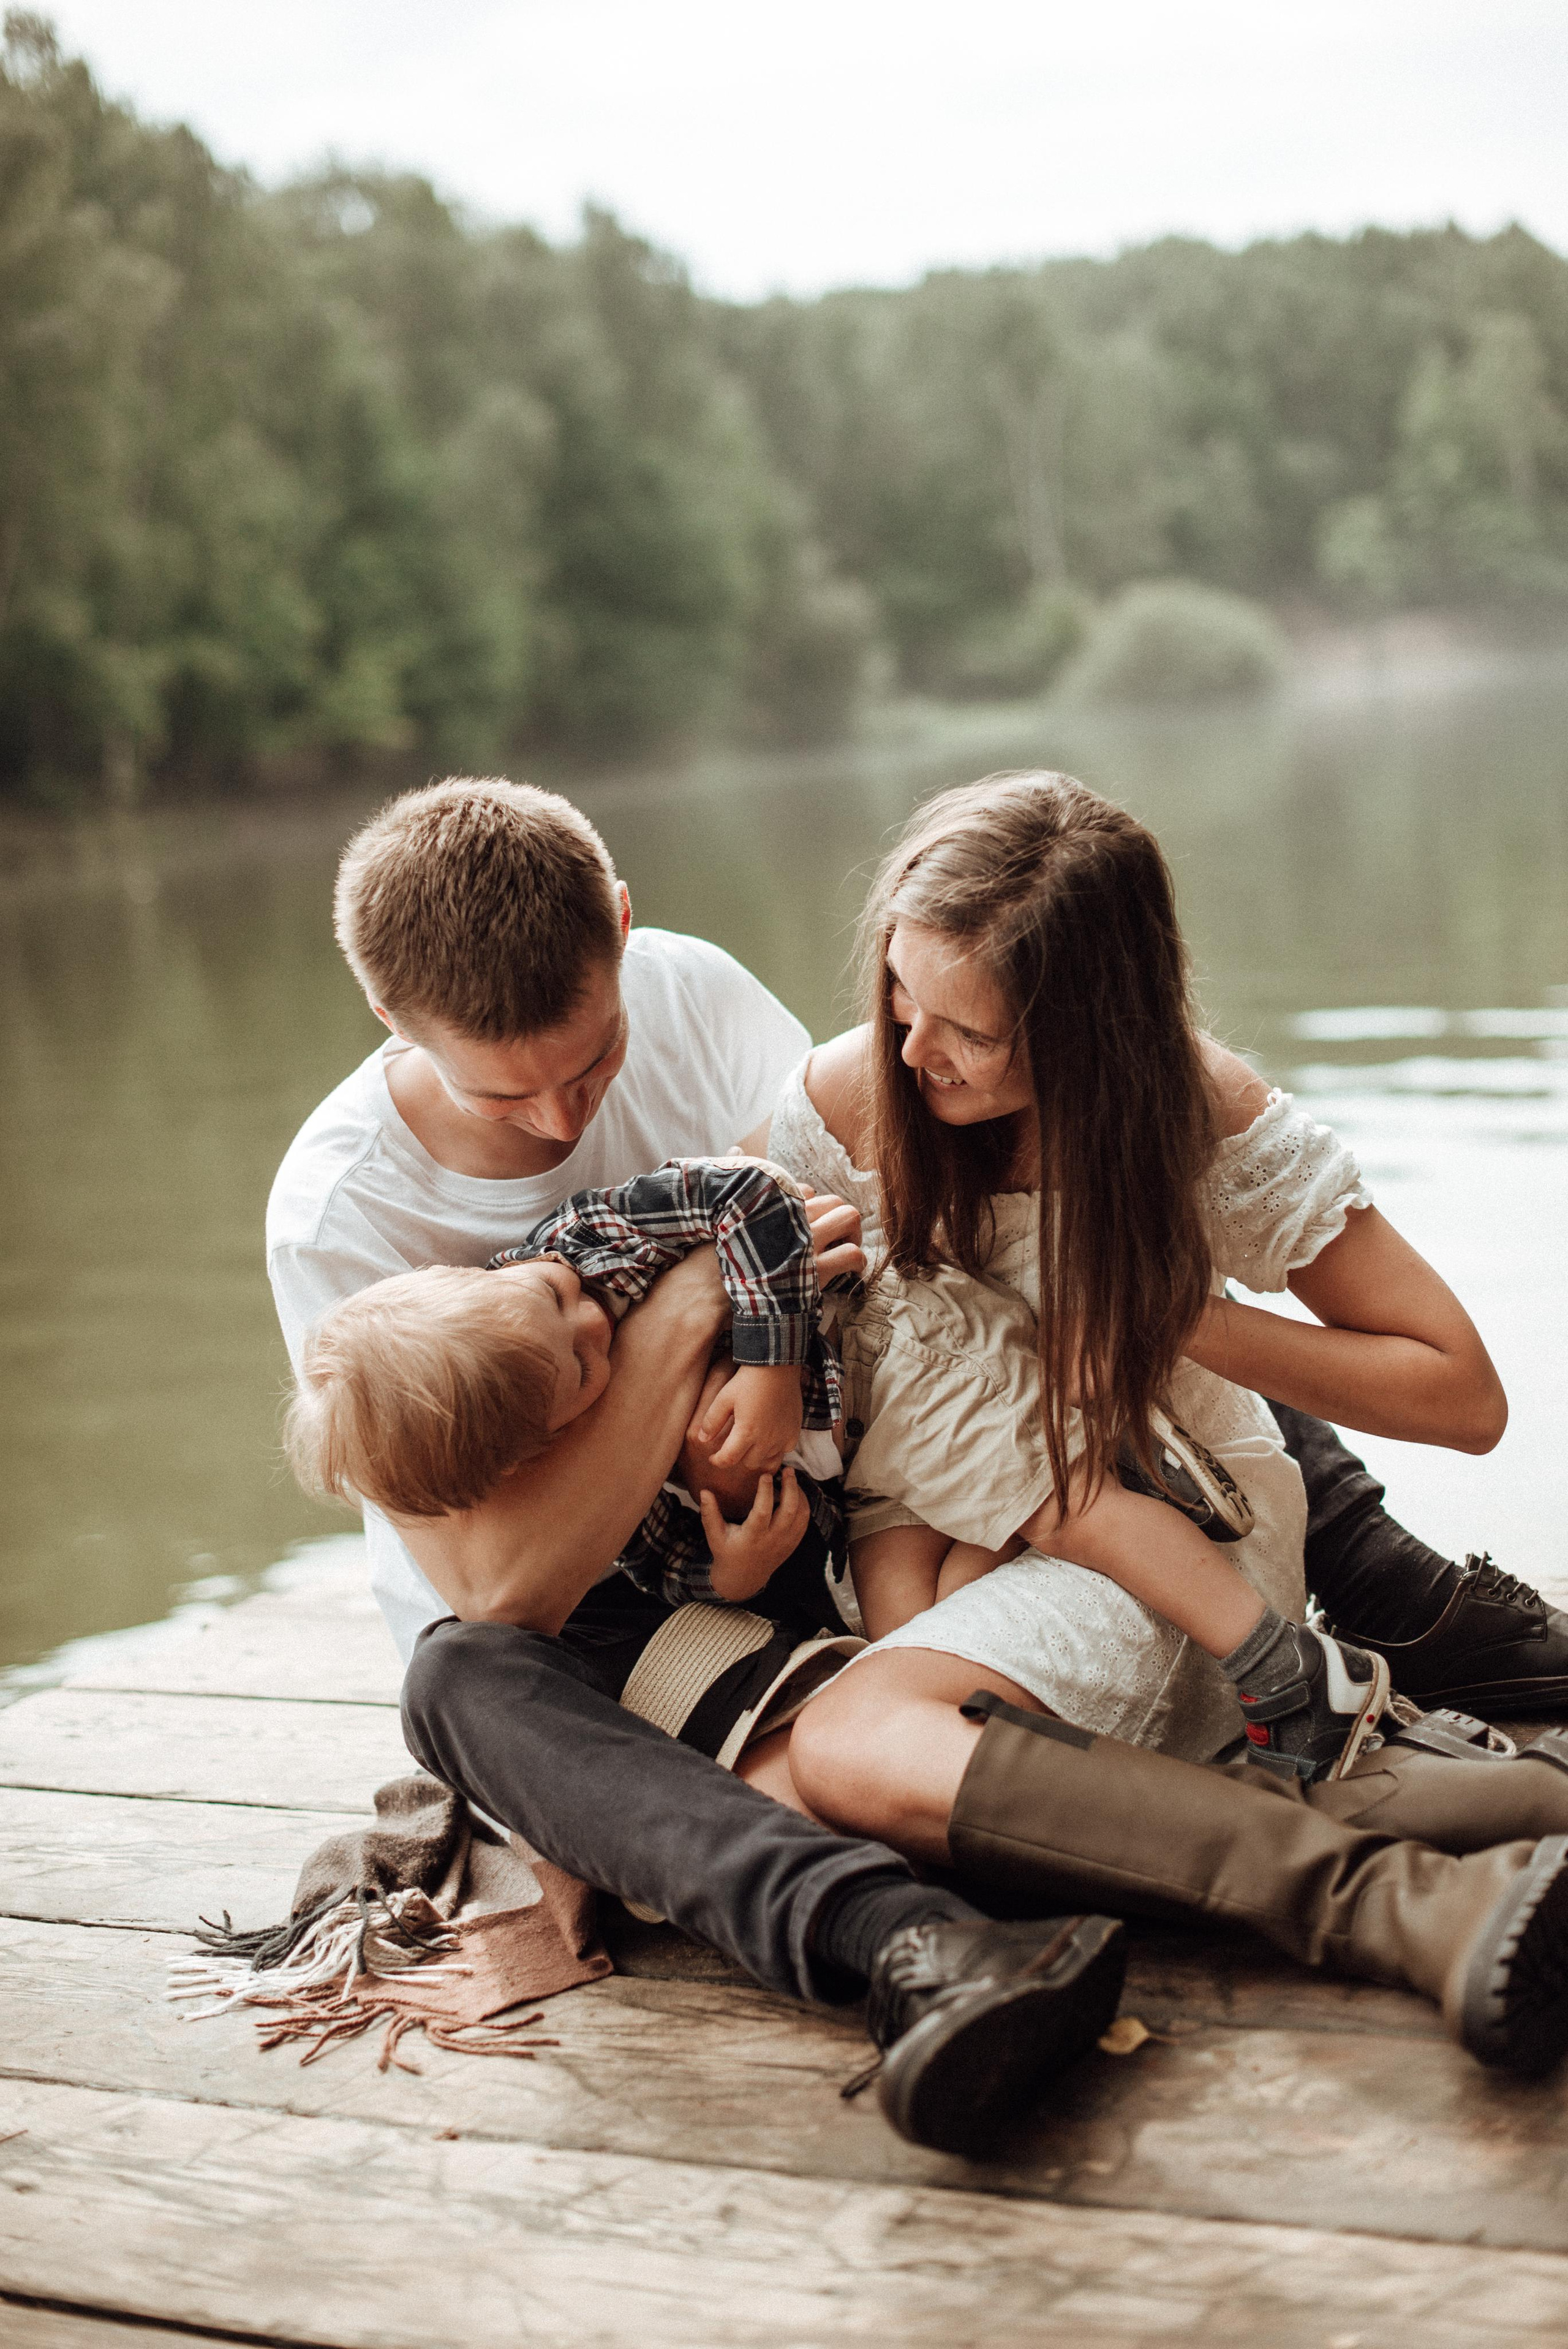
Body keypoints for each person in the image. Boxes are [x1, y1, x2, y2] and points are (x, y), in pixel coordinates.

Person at [268, 774, 1568, 2152]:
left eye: (589, 1066)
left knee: (870, 1735)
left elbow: (859, 1280)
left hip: (943, 1489)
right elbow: (496, 1581)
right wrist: (696, 1319)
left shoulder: (710, 1003)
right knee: (466, 1680)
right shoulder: (347, 1216)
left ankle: (1362, 1682)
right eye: (900, 999)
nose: (555, 1122)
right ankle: (946, 1932)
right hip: (658, 1578)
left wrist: (1153, 1319)